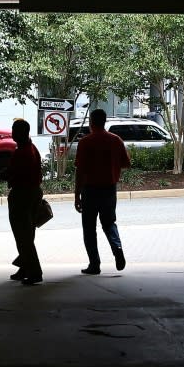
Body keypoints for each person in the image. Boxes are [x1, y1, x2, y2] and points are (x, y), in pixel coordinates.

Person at [73, 108, 131, 275]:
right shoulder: (116, 140)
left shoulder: (85, 142)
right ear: (104, 121)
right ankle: (117, 248)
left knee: (89, 228)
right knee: (109, 223)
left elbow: (80, 171)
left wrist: (77, 195)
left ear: (91, 122)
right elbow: (126, 163)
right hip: (109, 189)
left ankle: (94, 264)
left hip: (90, 190)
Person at [6, 118, 44, 285]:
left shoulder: (23, 152)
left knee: (23, 237)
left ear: (22, 132)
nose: (12, 133)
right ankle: (25, 267)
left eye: (15, 130)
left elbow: (15, 175)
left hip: (23, 195)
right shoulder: (29, 148)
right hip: (31, 193)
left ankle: (35, 272)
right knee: (26, 235)